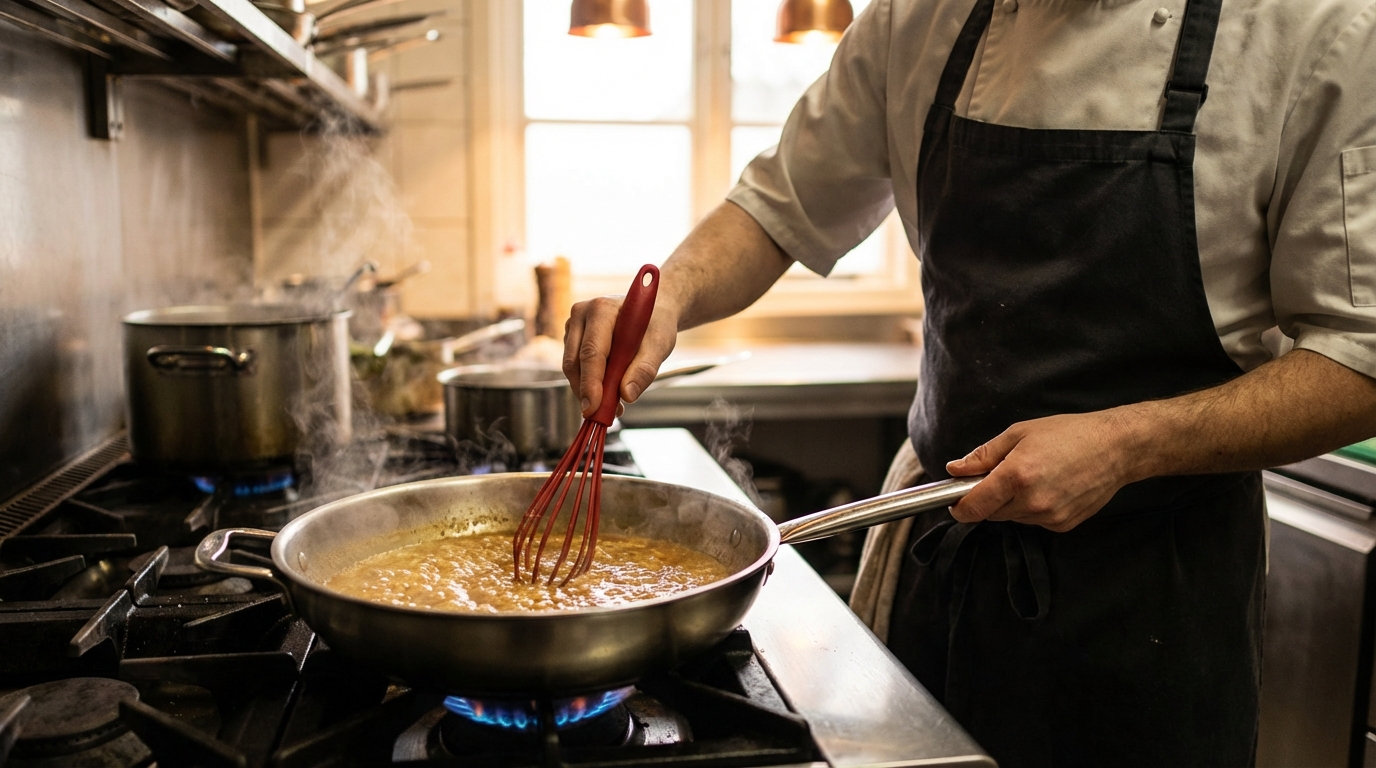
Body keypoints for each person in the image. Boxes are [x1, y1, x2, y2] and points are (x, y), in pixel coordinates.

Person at [560, 0, 1376, 764]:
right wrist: (670, 294)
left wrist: (1126, 444)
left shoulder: (1320, 31)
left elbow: (1360, 357)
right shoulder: (923, 19)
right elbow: (780, 207)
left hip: (1155, 596)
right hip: (939, 552)